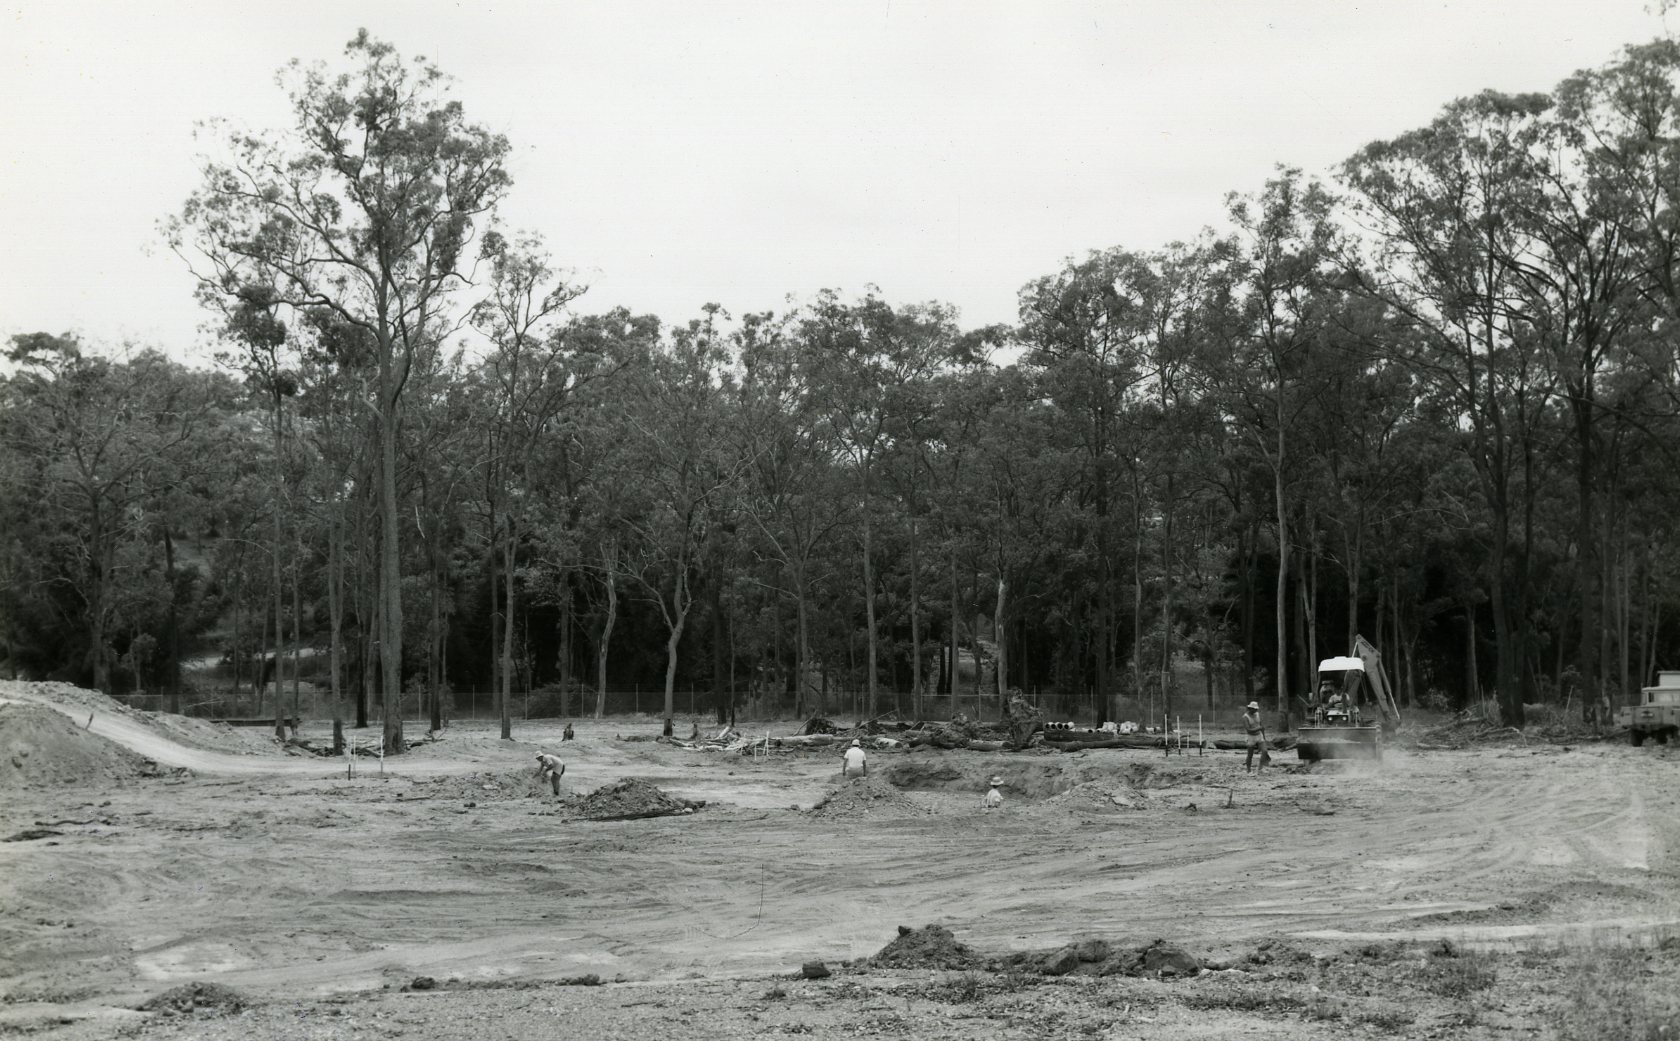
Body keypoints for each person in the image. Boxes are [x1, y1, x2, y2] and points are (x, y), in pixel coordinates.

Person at [1242, 702, 1268, 773]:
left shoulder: (1257, 715)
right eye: (1254, 709)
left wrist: (1264, 737)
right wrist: (1259, 728)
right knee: (1250, 755)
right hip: (1251, 737)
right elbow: (1248, 730)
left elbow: (1261, 726)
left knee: (1264, 751)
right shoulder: (1245, 717)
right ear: (1250, 709)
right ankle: (1248, 770)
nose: (1256, 710)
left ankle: (1260, 767)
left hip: (1259, 735)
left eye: (1256, 709)